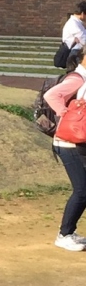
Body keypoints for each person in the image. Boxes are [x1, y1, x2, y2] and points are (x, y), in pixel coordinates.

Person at [44, 47, 86, 251]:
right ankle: (64, 234)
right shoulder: (77, 79)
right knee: (82, 190)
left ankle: (69, 232)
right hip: (68, 143)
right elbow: (51, 95)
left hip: (80, 142)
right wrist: (66, 114)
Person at [54, 2, 86, 69]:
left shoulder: (77, 23)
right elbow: (84, 39)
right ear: (83, 14)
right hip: (75, 54)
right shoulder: (74, 24)